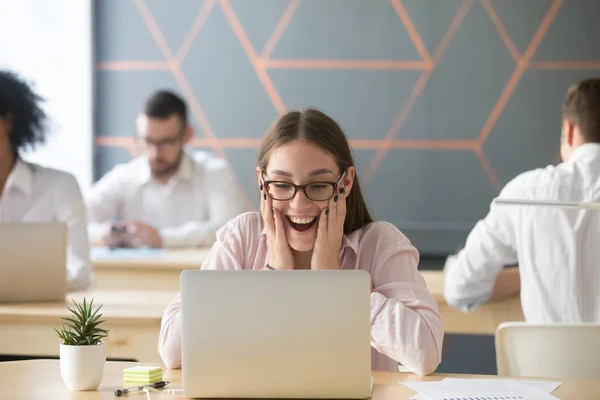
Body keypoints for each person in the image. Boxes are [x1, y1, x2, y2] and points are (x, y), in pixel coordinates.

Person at [158, 109, 444, 375]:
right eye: (282, 185)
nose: (299, 203)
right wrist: (271, 276)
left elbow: (425, 355)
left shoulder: (380, 243)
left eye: (318, 186)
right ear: (262, 182)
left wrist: (334, 284)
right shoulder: (242, 237)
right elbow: (172, 350)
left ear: (344, 184)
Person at [444, 77, 600, 323]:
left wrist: (535, 271)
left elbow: (459, 286)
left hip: (547, 362)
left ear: (569, 131)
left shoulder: (525, 193)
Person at [87, 90, 247, 249]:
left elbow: (232, 232)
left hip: (197, 273)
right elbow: (77, 220)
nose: (155, 152)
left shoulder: (215, 173)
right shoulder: (124, 176)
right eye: (147, 141)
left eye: (165, 143)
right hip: (138, 274)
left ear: (187, 135)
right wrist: (102, 233)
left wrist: (162, 239)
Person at [0, 70, 91, 290]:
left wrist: (25, 284)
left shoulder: (60, 187)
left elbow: (80, 272)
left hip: (39, 319)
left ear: (8, 122)